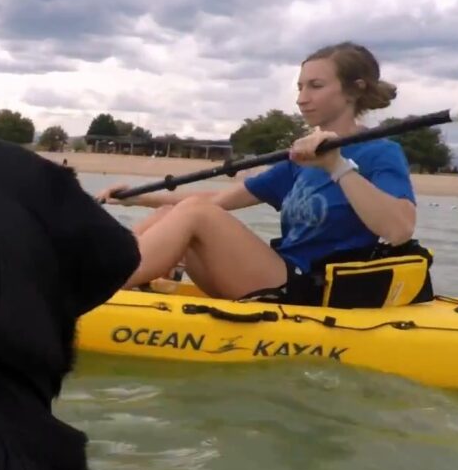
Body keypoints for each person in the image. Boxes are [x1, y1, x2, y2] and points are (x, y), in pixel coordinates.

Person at [93, 42, 417, 302]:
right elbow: (218, 199)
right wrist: (138, 198)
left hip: (311, 291)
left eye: (315, 86)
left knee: (195, 214)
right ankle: (92, 271)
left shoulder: (380, 153)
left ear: (354, 89)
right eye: (300, 87)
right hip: (276, 277)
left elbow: (399, 229)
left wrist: (337, 165)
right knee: (170, 212)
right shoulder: (300, 158)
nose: (302, 99)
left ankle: (97, 287)